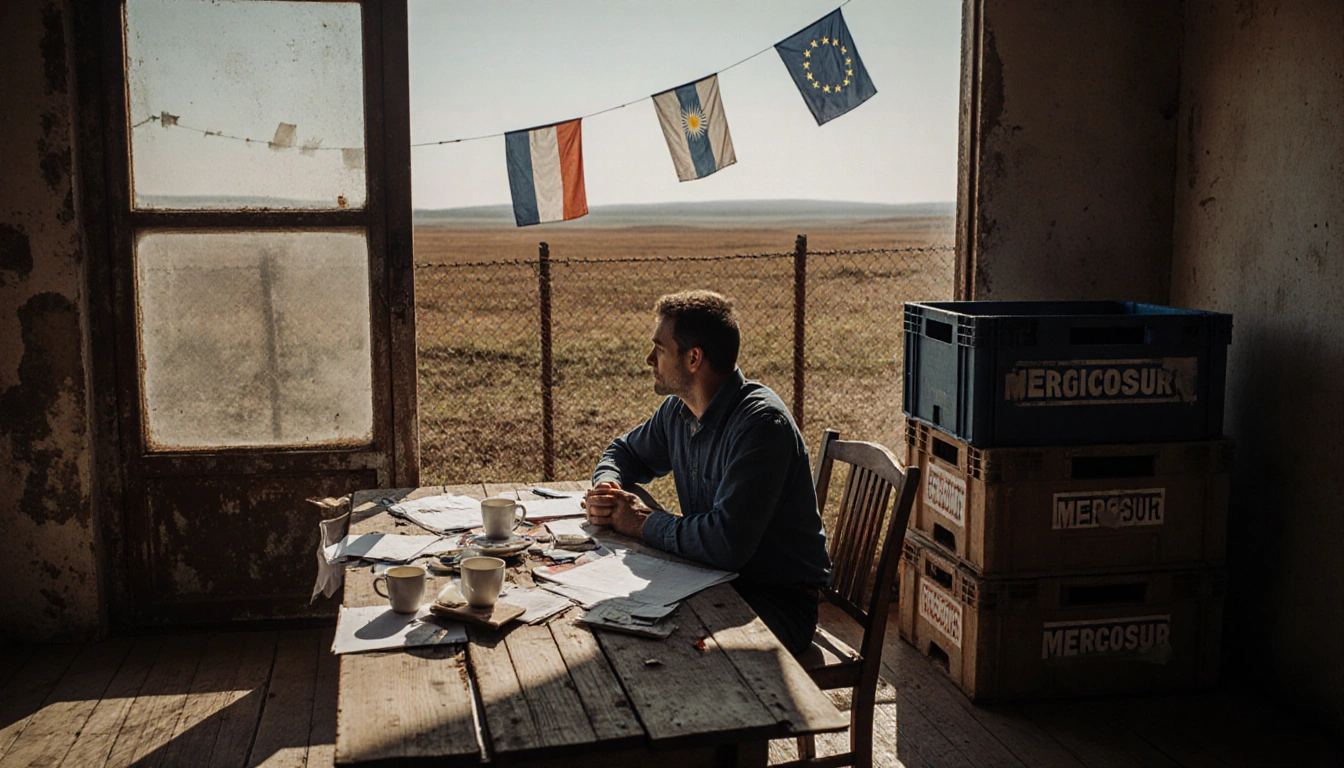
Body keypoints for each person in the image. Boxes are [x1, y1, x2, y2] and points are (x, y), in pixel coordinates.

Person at [584, 289, 830, 655]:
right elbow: (624, 451)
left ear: (694, 358)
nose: (650, 358)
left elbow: (725, 544)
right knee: (616, 624)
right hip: (711, 581)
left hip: (773, 603)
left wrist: (641, 522)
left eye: (660, 349)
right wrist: (608, 485)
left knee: (658, 650)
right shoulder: (678, 412)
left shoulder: (761, 426)